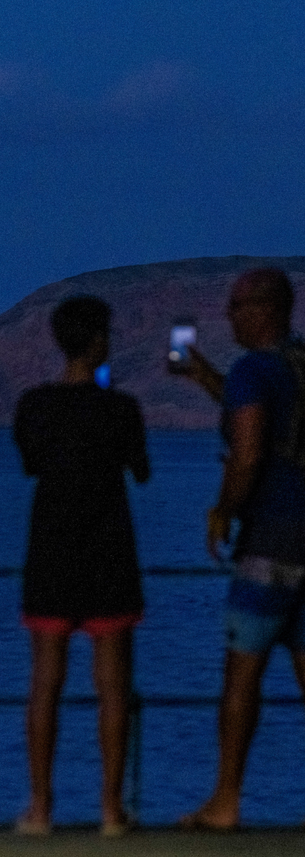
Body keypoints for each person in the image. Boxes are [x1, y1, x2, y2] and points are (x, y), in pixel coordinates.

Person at [178, 267, 305, 832]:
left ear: (265, 308)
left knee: (243, 674)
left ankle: (225, 803)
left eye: (236, 306)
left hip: (273, 539)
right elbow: (263, 421)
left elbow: (250, 448)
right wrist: (204, 375)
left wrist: (222, 510)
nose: (229, 315)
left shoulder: (254, 369)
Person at [12, 295, 150, 837]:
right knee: (113, 687)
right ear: (98, 341)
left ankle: (41, 808)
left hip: (49, 552)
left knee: (45, 682)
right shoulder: (121, 409)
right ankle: (112, 811)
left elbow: (30, 463)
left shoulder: (33, 406)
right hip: (109, 554)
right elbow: (140, 471)